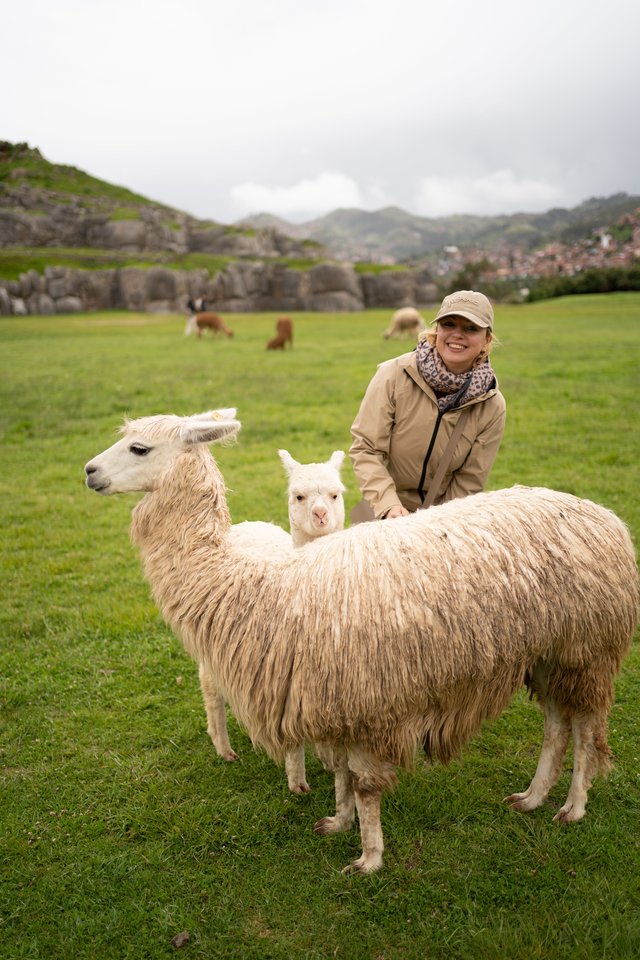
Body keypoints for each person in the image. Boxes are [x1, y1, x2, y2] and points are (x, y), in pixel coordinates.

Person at [349, 290, 506, 519]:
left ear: (486, 340)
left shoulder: (491, 405)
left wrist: (435, 526)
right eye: (449, 324)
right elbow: (367, 447)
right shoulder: (393, 375)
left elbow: (470, 480)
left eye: (471, 328)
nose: (457, 334)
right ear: (436, 330)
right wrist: (388, 506)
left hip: (442, 523)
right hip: (382, 514)